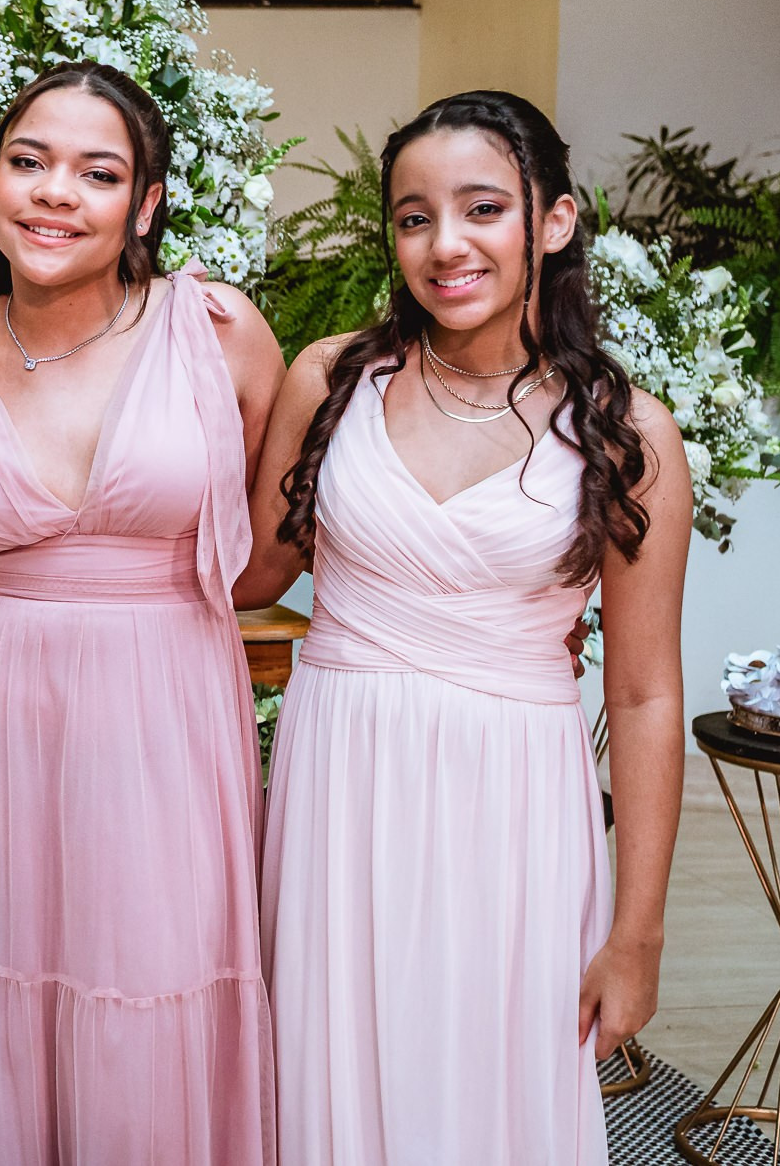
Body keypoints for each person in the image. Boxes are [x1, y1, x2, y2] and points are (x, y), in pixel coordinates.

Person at [240, 90, 689, 1165]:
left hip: (511, 804)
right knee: (329, 1070)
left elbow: (641, 695)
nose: (444, 244)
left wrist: (636, 934)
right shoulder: (330, 381)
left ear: (554, 220)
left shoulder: (626, 435)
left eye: (482, 208)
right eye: (413, 217)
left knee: (490, 1084)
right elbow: (246, 574)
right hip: (339, 790)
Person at [0, 62, 285, 1165]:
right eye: (28, 162)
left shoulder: (218, 333)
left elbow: (275, 544)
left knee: (153, 981)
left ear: (145, 205)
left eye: (97, 173)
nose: (55, 192)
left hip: (165, 711)